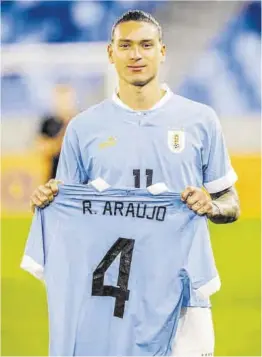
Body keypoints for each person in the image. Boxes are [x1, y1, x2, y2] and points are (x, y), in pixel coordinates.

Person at [29, 10, 240, 357]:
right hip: (111, 298)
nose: (136, 54)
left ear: (162, 51)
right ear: (111, 54)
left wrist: (212, 205)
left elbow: (230, 201)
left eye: (146, 44)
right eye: (125, 45)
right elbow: (71, 217)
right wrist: (50, 200)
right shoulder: (83, 128)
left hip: (186, 296)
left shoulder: (200, 119)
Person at [36, 85, 76, 181]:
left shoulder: (80, 121)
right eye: (61, 100)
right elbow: (43, 149)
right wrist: (64, 132)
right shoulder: (47, 123)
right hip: (55, 178)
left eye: (67, 100)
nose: (64, 104)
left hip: (78, 181)